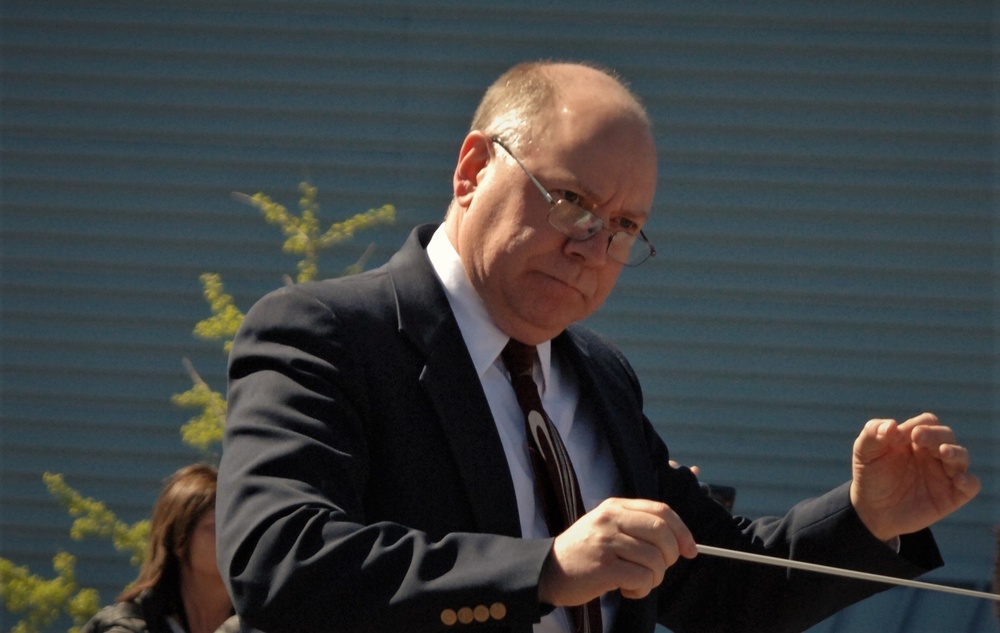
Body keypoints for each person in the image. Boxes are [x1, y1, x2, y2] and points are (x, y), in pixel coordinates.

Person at [215, 60, 981, 633]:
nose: (592, 245)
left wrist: (865, 517)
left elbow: (713, 578)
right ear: (474, 169)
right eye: (572, 201)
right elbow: (280, 559)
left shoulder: (601, 375)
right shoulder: (329, 334)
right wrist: (543, 569)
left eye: (622, 228)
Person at [82, 464, 239, 633]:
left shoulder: (265, 620)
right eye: (216, 527)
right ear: (179, 540)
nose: (235, 536)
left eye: (241, 526)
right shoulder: (125, 627)